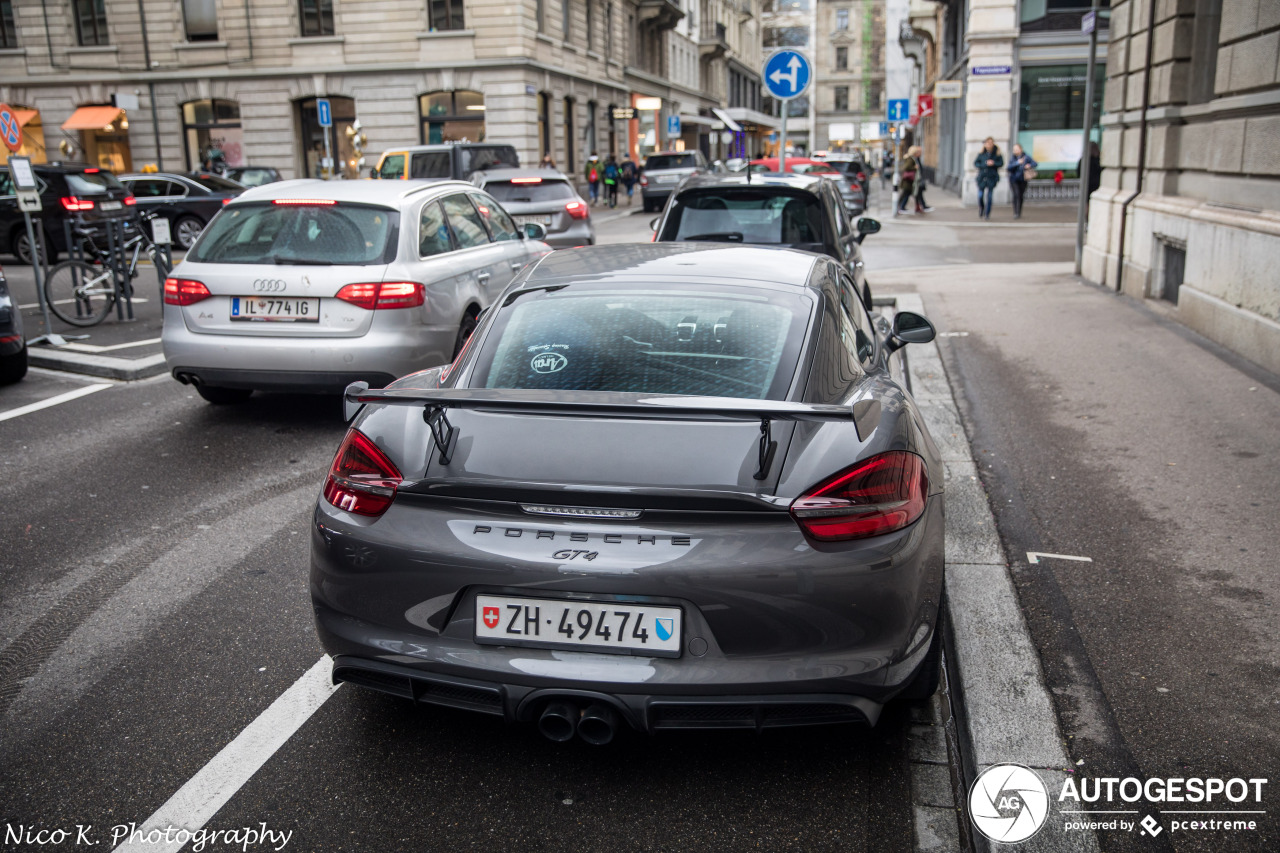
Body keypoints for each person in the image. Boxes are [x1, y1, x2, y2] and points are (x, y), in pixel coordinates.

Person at [974, 137, 1003, 220]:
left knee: (989, 196)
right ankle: (981, 208)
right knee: (980, 195)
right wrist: (985, 164)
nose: (989, 145)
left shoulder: (997, 154)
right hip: (982, 177)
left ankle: (987, 213)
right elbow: (976, 163)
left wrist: (993, 163)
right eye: (987, 143)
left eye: (990, 143)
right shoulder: (981, 154)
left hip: (991, 177)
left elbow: (1001, 163)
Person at [1007, 143, 1037, 219]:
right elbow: (1009, 167)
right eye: (1014, 149)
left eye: (1017, 149)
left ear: (1021, 149)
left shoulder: (1026, 157)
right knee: (1016, 194)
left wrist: (1029, 165)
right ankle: (1016, 212)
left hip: (1023, 179)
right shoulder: (1013, 158)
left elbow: (1035, 163)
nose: (1016, 151)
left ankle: (1019, 211)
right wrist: (1017, 163)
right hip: (1014, 179)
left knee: (1020, 195)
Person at [910, 145, 934, 213]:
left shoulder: (917, 159)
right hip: (915, 179)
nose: (921, 153)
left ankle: (920, 206)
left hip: (918, 179)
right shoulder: (913, 159)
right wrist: (915, 168)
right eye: (919, 152)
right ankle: (920, 206)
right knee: (915, 193)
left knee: (918, 193)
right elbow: (908, 168)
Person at [896, 147, 918, 216]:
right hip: (907, 180)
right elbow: (906, 167)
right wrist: (914, 167)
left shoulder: (910, 158)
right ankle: (901, 207)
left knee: (906, 194)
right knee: (905, 194)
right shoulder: (910, 159)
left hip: (908, 180)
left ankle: (900, 206)